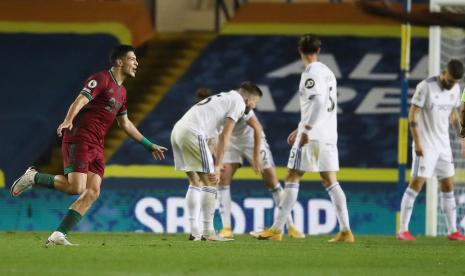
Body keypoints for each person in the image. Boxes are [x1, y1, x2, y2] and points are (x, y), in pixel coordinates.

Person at [11, 45, 167, 246]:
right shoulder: (101, 79)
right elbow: (80, 100)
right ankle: (33, 177)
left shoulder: (122, 92)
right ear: (120, 61)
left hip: (97, 144)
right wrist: (68, 120)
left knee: (93, 191)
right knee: (76, 187)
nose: (136, 63)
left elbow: (125, 123)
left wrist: (148, 144)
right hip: (80, 137)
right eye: (132, 59)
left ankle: (59, 234)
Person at [255, 34, 354, 242]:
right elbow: (322, 106)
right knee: (330, 181)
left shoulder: (310, 73)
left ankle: (276, 230)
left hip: (313, 135)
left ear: (300, 51)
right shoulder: (328, 73)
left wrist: (306, 130)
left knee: (292, 177)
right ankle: (346, 231)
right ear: (318, 51)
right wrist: (300, 127)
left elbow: (317, 103)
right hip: (328, 134)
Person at [171, 82, 262, 241]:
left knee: (195, 182)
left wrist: (215, 160)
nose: (254, 107)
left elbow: (214, 138)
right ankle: (208, 232)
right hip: (193, 133)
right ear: (247, 99)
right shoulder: (238, 103)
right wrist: (218, 166)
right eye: (255, 103)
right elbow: (225, 136)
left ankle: (194, 231)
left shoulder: (224, 98)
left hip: (178, 131)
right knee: (210, 183)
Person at [398, 59, 465, 241]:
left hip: (443, 145)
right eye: (449, 80)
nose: (451, 84)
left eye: (454, 82)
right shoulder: (425, 86)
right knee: (417, 184)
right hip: (425, 144)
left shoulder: (456, 89)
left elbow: (453, 115)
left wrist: (462, 138)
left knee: (448, 185)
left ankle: (453, 231)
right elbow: (413, 113)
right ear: (444, 72)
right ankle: (402, 230)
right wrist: (417, 142)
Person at [217, 109, 305, 239]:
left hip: (252, 141)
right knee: (223, 180)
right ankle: (226, 228)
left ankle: (289, 227)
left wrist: (255, 156)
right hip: (231, 142)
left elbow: (258, 127)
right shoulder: (216, 110)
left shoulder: (241, 106)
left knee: (272, 182)